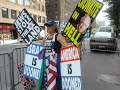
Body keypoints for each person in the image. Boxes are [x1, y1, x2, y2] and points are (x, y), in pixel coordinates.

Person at [40, 20, 69, 90]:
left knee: (57, 77)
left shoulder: (58, 36)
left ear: (54, 27)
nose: (48, 27)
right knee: (48, 76)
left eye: (49, 26)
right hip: (47, 61)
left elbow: (66, 46)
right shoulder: (46, 36)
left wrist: (75, 47)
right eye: (47, 26)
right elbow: (40, 44)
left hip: (56, 60)